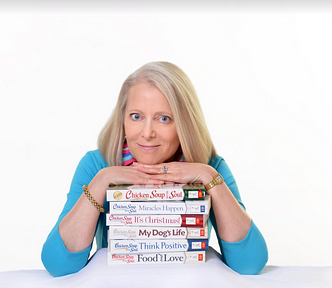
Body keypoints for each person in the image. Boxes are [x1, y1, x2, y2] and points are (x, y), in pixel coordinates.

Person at [41, 61, 268, 277]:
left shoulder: (210, 168)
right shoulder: (97, 165)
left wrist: (209, 177)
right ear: (123, 119)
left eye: (164, 119)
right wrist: (102, 182)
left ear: (184, 124)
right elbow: (59, 265)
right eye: (136, 116)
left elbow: (249, 264)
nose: (147, 133)